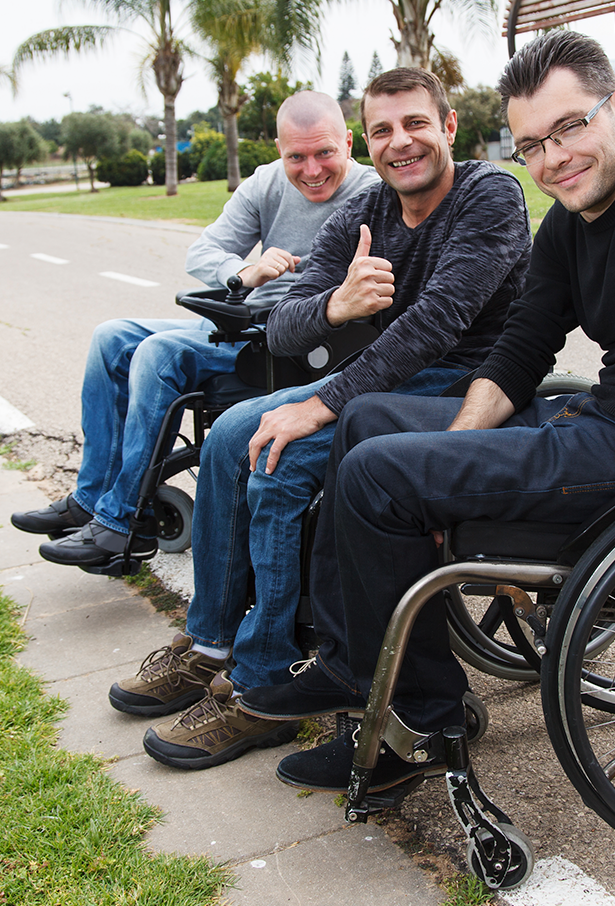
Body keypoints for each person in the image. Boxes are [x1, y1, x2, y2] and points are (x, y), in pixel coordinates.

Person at [239, 30, 615, 794]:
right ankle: (352, 663)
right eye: (533, 144)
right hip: (600, 425)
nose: (554, 157)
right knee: (367, 425)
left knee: (374, 477)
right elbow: (520, 352)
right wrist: (454, 459)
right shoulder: (572, 222)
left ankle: (425, 724)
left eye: (570, 128)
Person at [108, 67, 533, 771]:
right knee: (233, 435)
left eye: (416, 124)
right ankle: (210, 642)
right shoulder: (369, 208)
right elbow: (281, 326)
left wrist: (321, 402)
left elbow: (437, 324)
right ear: (369, 141)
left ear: (449, 127)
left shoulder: (489, 194)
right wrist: (338, 305)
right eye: (383, 130)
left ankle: (261, 680)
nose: (401, 143)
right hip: (382, 383)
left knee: (275, 459)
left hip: (465, 388)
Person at [12, 91, 380, 566]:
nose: (311, 170)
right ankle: (91, 497)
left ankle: (124, 521)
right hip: (248, 319)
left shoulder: (371, 191)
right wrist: (246, 273)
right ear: (278, 149)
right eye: (296, 157)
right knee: (112, 336)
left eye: (324, 153)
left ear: (348, 142)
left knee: (159, 354)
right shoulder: (266, 183)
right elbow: (201, 253)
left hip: (301, 341)